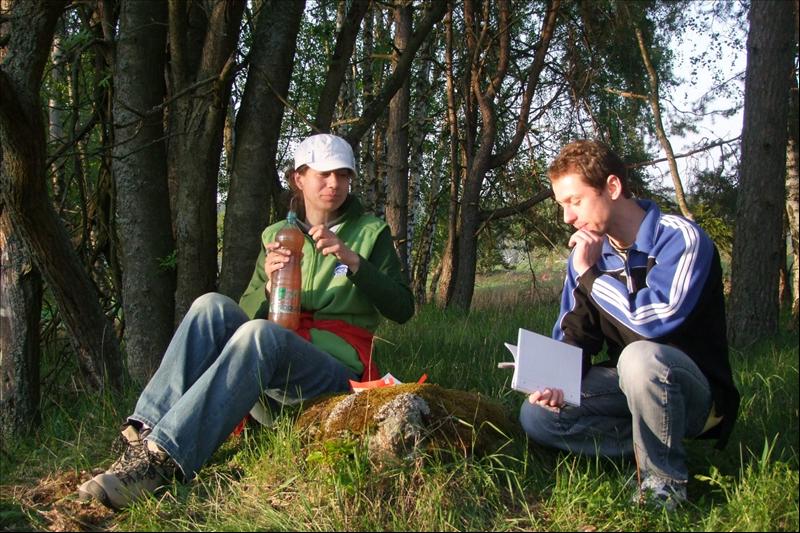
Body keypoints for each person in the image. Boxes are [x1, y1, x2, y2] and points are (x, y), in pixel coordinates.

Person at [78, 133, 414, 510]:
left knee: (260, 334)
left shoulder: (370, 233)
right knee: (210, 306)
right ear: (299, 178)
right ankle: (141, 436)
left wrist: (354, 263)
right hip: (270, 375)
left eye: (343, 174)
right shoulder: (277, 236)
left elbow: (403, 308)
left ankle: (162, 462)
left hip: (333, 375)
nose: (334, 183)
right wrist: (268, 287)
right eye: (323, 174)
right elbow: (242, 317)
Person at [519, 140, 739, 510]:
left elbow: (655, 322)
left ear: (612, 187)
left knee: (641, 358)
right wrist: (555, 380)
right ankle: (650, 446)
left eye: (575, 201)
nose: (567, 217)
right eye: (561, 205)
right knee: (537, 416)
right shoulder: (589, 256)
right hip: (629, 384)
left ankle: (663, 484)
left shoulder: (680, 238)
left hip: (693, 392)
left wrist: (590, 276)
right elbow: (577, 335)